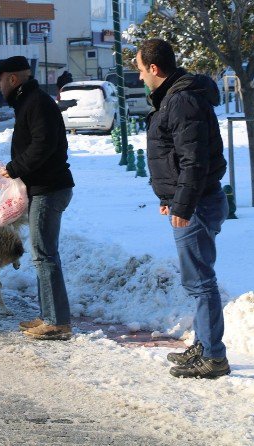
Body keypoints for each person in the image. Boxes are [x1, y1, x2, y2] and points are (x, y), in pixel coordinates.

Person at [135, 39, 230, 379]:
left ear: (155, 69)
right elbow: (173, 156)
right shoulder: (177, 98)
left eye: (141, 69)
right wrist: (168, 198)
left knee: (200, 281)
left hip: (197, 204)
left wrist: (183, 203)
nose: (140, 75)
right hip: (192, 201)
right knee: (198, 279)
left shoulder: (181, 100)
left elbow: (194, 159)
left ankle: (214, 356)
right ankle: (205, 345)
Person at [0, 56, 75, 341]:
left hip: (49, 188)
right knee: (43, 254)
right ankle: (48, 315)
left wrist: (15, 168)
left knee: (45, 255)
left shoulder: (36, 103)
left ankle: (57, 322)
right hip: (42, 187)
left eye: (0, 79)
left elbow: (44, 144)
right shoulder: (29, 102)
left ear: (13, 79)